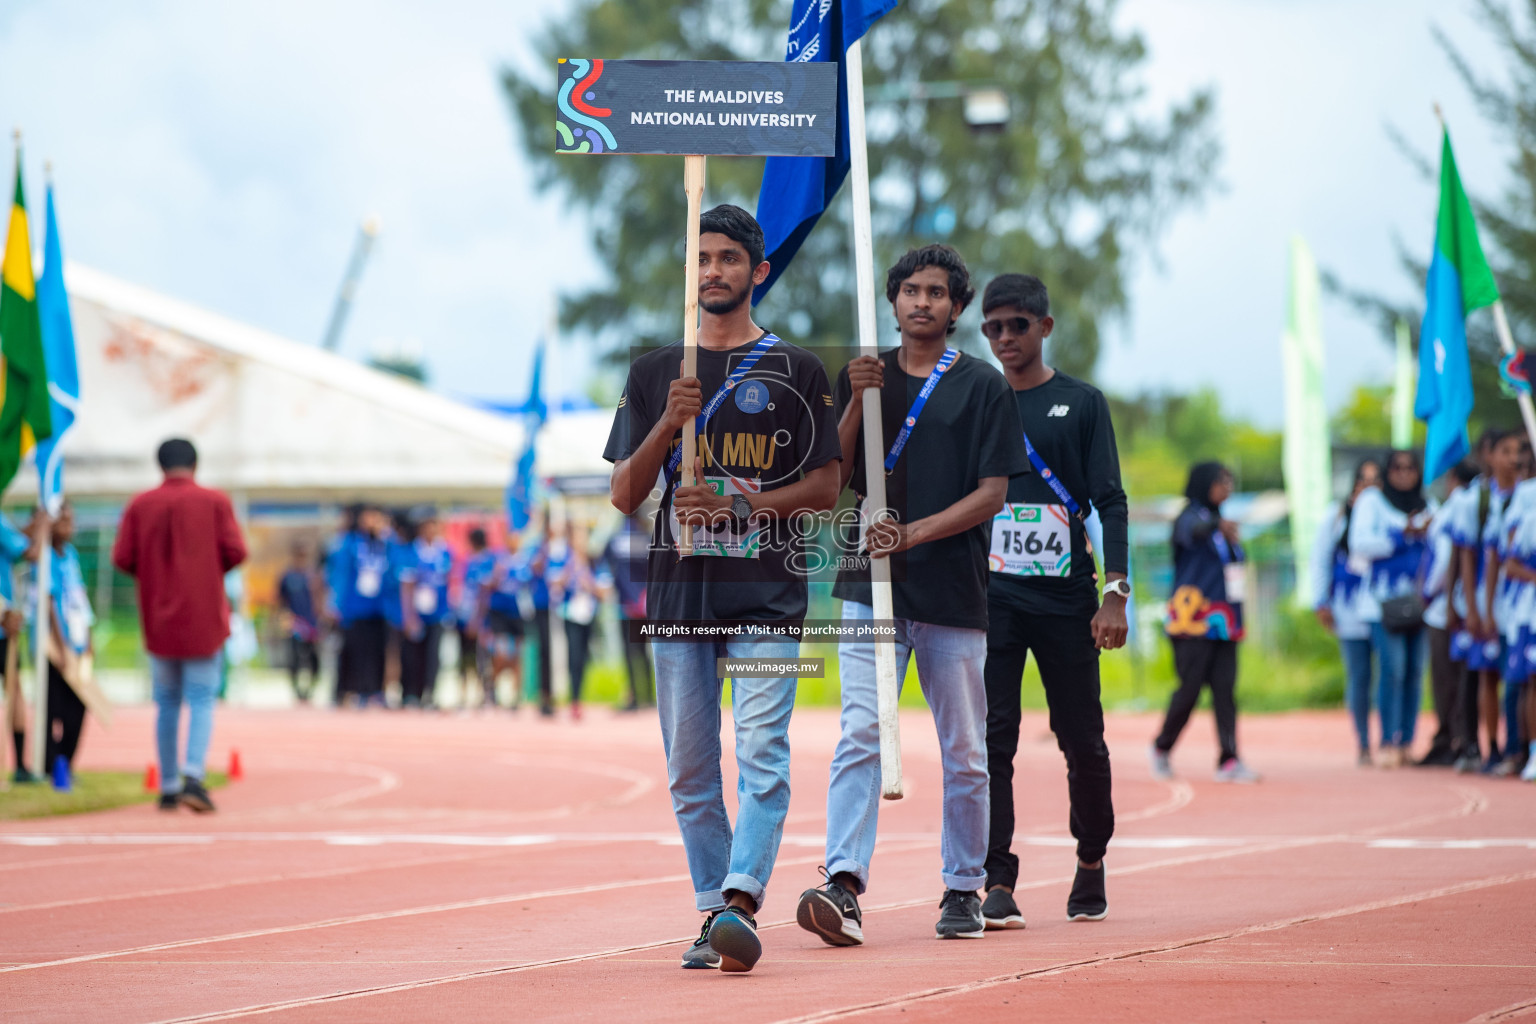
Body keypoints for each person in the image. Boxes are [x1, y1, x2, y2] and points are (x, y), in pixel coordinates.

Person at [605, 204, 841, 972]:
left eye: (728, 258)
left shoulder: (798, 371)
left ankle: (741, 898)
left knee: (763, 755)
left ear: (757, 271)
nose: (713, 269)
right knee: (689, 770)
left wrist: (746, 505)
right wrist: (667, 427)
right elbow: (622, 493)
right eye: (702, 257)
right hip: (678, 598)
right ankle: (715, 912)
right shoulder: (654, 373)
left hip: (768, 596)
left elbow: (828, 487)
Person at [796, 244, 1028, 948]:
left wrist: (916, 534)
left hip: (953, 592)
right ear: (892, 300)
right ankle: (843, 882)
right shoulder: (861, 377)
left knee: (963, 746)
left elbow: (993, 493)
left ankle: (963, 886)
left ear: (957, 308)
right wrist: (856, 401)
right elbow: (830, 480)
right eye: (909, 290)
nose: (921, 301)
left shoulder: (983, 386)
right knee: (861, 731)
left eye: (936, 292)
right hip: (868, 589)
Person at [972, 274, 1128, 930]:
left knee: (1081, 739)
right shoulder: (975, 401)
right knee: (991, 738)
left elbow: (1111, 503)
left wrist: (1114, 595)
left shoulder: (1081, 403)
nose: (1005, 339)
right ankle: (996, 879)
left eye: (1017, 326)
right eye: (993, 328)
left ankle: (1090, 855)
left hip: (1068, 599)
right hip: (992, 598)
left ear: (1045, 327)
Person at [112, 438, 247, 812]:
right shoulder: (215, 501)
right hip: (203, 615)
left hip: (157, 616)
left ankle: (168, 785)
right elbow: (237, 551)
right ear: (195, 463)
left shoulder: (140, 504)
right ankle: (193, 776)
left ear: (160, 465)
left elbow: (123, 557)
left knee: (166, 701)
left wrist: (154, 573)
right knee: (202, 698)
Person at [1151, 462, 1260, 782]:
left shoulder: (1224, 527)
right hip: (1192, 621)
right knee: (1190, 689)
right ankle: (1161, 747)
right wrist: (1216, 525)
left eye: (1230, 481)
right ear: (1203, 483)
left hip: (1224, 621)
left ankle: (1229, 759)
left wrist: (1224, 531)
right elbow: (1193, 533)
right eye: (1220, 481)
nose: (1227, 487)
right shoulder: (1189, 517)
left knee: (1225, 690)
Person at [1349, 449, 1435, 768]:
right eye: (1397, 468)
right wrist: (1401, 537)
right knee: (1392, 669)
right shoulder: (1372, 502)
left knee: (1414, 672)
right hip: (1382, 603)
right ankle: (1387, 739)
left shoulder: (1427, 505)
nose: (1403, 474)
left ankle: (1407, 741)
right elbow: (1359, 543)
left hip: (1419, 601)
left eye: (1410, 468)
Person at [1311, 459, 1383, 765]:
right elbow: (1320, 558)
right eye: (1362, 482)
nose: (1367, 489)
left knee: (1391, 674)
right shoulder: (1336, 516)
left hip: (1384, 606)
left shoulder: (1389, 514)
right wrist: (1320, 602)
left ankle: (1392, 739)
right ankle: (1364, 742)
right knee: (1359, 675)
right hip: (1349, 607)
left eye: (1374, 482)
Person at [1418, 460, 1477, 767]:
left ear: (1452, 478)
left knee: (1447, 679)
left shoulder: (1453, 509)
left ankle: (1454, 739)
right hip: (1464, 606)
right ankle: (1460, 738)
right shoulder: (1463, 505)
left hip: (1446, 608)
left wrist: (1428, 593)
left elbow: (1444, 560)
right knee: (1463, 678)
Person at [37, 502, 94, 778]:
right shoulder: (43, 557)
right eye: (64, 522)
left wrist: (88, 640)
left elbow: (79, 598)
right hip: (52, 649)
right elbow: (47, 603)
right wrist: (60, 648)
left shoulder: (70, 555)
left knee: (79, 707)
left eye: (72, 522)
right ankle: (50, 766)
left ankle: (64, 763)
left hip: (76, 644)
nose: (69, 528)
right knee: (52, 710)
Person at [329, 504, 391, 708]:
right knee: (354, 651)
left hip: (379, 609)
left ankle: (375, 690)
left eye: (376, 518)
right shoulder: (350, 543)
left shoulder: (386, 544)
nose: (373, 522)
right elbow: (339, 575)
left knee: (377, 652)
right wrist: (335, 605)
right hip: (354, 609)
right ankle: (352, 691)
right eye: (368, 518)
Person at [555, 523, 610, 721]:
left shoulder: (595, 563)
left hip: (589, 614)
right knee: (574, 656)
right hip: (570, 614)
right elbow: (554, 583)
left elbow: (605, 592)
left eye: (585, 537)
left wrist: (591, 586)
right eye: (578, 537)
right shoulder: (565, 561)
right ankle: (575, 699)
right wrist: (569, 574)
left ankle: (579, 696)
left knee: (584, 657)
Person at [1, 509, 40, 782]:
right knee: (14, 691)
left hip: (6, 624)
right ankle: (21, 769)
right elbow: (30, 551)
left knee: (15, 691)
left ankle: (21, 767)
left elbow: (18, 544)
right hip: (4, 622)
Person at [399, 508, 451, 709]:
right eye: (427, 527)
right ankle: (411, 693)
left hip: (437, 613)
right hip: (417, 613)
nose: (431, 531)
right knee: (413, 655)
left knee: (433, 656)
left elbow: (449, 583)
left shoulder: (444, 552)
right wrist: (409, 616)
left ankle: (429, 694)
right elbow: (407, 586)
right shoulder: (412, 552)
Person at [603, 510, 655, 709]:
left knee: (628, 651)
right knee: (645, 651)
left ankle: (633, 696)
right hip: (645, 604)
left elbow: (605, 565)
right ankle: (649, 696)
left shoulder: (616, 538)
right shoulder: (647, 537)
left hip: (625, 605)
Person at [480, 534, 530, 711]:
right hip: (499, 612)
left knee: (518, 656)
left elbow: (531, 585)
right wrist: (496, 575)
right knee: (500, 654)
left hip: (518, 614)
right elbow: (485, 585)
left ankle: (516, 696)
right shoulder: (497, 560)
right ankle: (491, 688)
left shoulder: (526, 562)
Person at [455, 527, 497, 709]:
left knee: (483, 658)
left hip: (480, 618)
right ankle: (466, 694)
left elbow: (484, 593)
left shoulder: (488, 561)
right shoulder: (468, 561)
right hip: (467, 615)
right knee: (467, 657)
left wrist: (477, 619)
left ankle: (485, 694)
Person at [277, 541, 322, 704]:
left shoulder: (313, 575)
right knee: (294, 658)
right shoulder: (287, 576)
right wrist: (284, 620)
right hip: (295, 623)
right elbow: (281, 600)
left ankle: (310, 689)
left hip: (312, 624)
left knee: (314, 659)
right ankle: (297, 691)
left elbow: (320, 598)